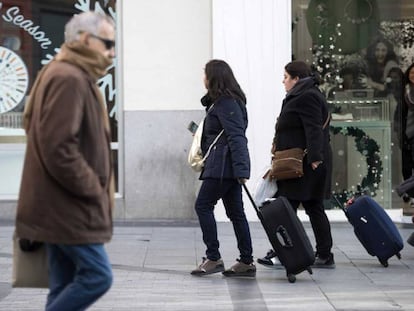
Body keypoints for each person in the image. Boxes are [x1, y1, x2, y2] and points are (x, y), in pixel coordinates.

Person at [15, 11, 115, 310]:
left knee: (62, 284)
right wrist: (93, 188)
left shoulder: (65, 71)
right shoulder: (68, 77)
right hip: (68, 208)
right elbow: (58, 147)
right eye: (107, 43)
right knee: (98, 276)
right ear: (85, 39)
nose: (112, 52)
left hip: (58, 206)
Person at [258, 61, 335, 269]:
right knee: (302, 208)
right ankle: (321, 254)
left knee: (293, 209)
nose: (283, 81)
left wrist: (316, 158)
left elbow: (314, 129)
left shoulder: (307, 96)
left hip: (307, 165)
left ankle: (290, 252)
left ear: (296, 79)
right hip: (299, 164)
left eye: (285, 77)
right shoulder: (300, 96)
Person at [190, 59, 256, 277]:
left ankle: (213, 257)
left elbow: (237, 136)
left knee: (203, 205)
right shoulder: (221, 102)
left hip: (223, 167)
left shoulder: (227, 103)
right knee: (236, 213)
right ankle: (246, 261)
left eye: (205, 73)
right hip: (224, 166)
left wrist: (242, 170)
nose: (203, 78)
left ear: (214, 77)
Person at [396, 63, 414, 213]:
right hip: (406, 137)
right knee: (406, 168)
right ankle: (408, 195)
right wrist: (399, 133)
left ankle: (406, 192)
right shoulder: (404, 93)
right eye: (412, 73)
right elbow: (399, 115)